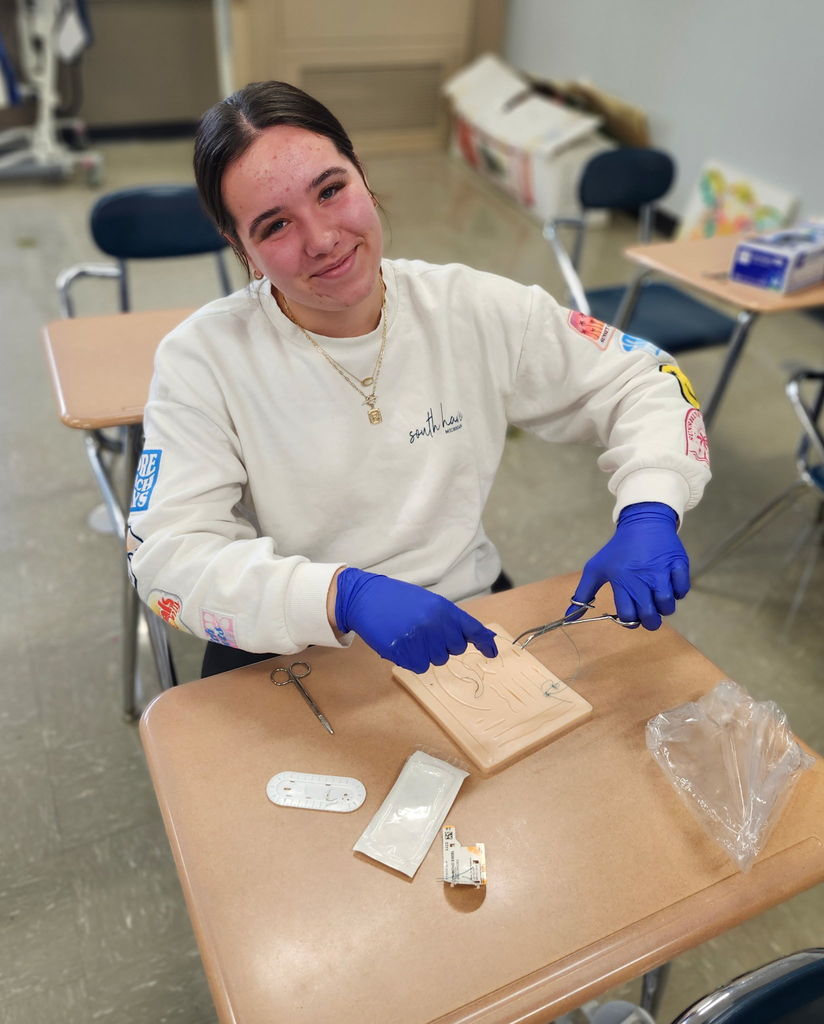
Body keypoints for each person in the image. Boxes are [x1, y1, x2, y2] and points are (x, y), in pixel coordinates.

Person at [126, 80, 711, 679]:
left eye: (331, 190)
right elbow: (166, 555)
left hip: (465, 608)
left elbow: (643, 376)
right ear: (240, 247)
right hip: (293, 641)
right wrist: (339, 596)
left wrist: (650, 507)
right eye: (274, 226)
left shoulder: (468, 306)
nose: (322, 239)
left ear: (363, 175)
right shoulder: (204, 359)